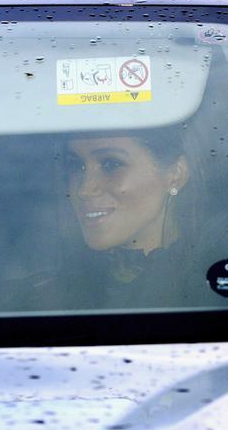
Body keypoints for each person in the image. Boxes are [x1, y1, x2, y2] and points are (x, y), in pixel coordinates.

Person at [13, 129, 218, 310]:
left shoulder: (211, 291)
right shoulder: (41, 299)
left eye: (111, 164)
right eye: (76, 165)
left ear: (175, 174)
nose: (84, 190)